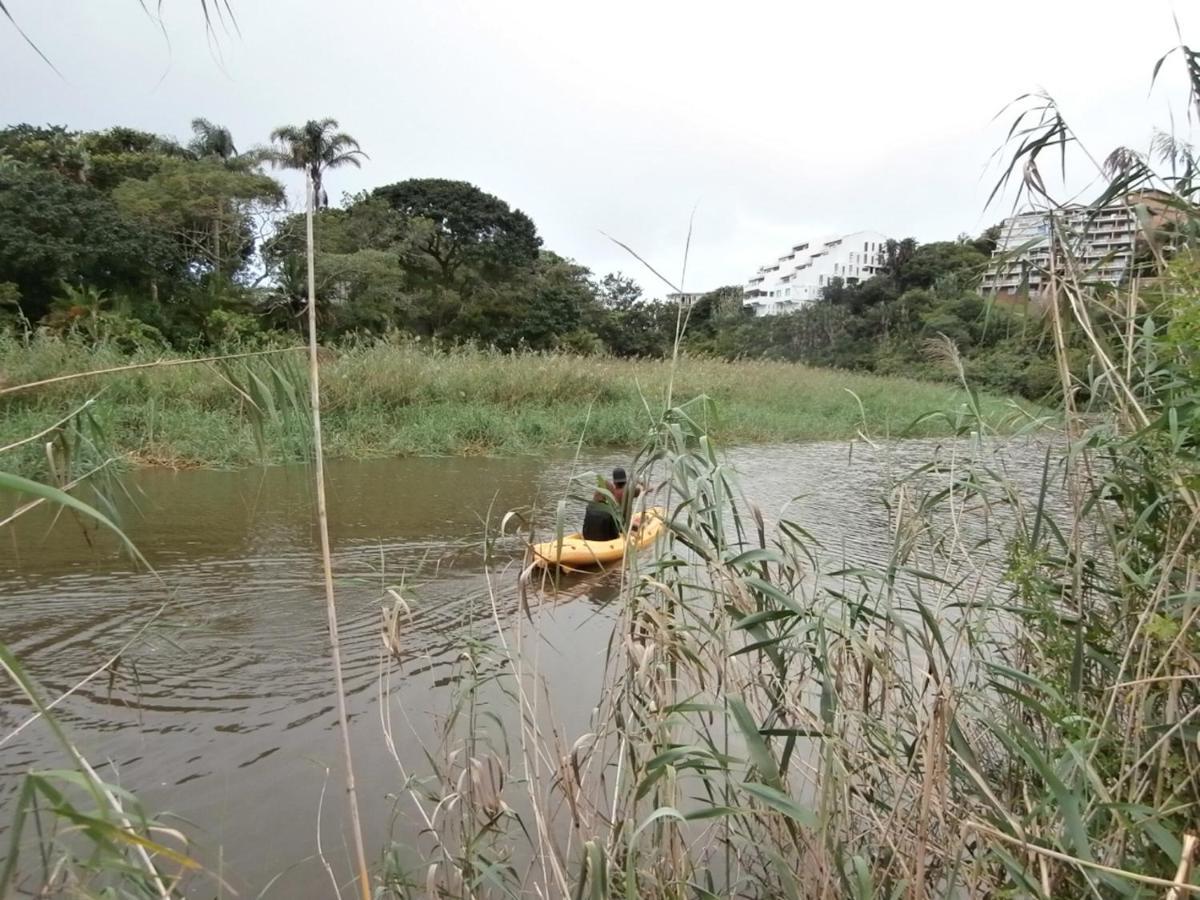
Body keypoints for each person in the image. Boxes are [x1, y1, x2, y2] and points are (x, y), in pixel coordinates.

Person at [581, 467, 642, 541]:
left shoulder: (591, 506)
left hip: (593, 532)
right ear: (625, 481)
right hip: (621, 526)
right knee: (638, 525)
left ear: (614, 482)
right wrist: (640, 482)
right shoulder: (629, 491)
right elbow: (641, 490)